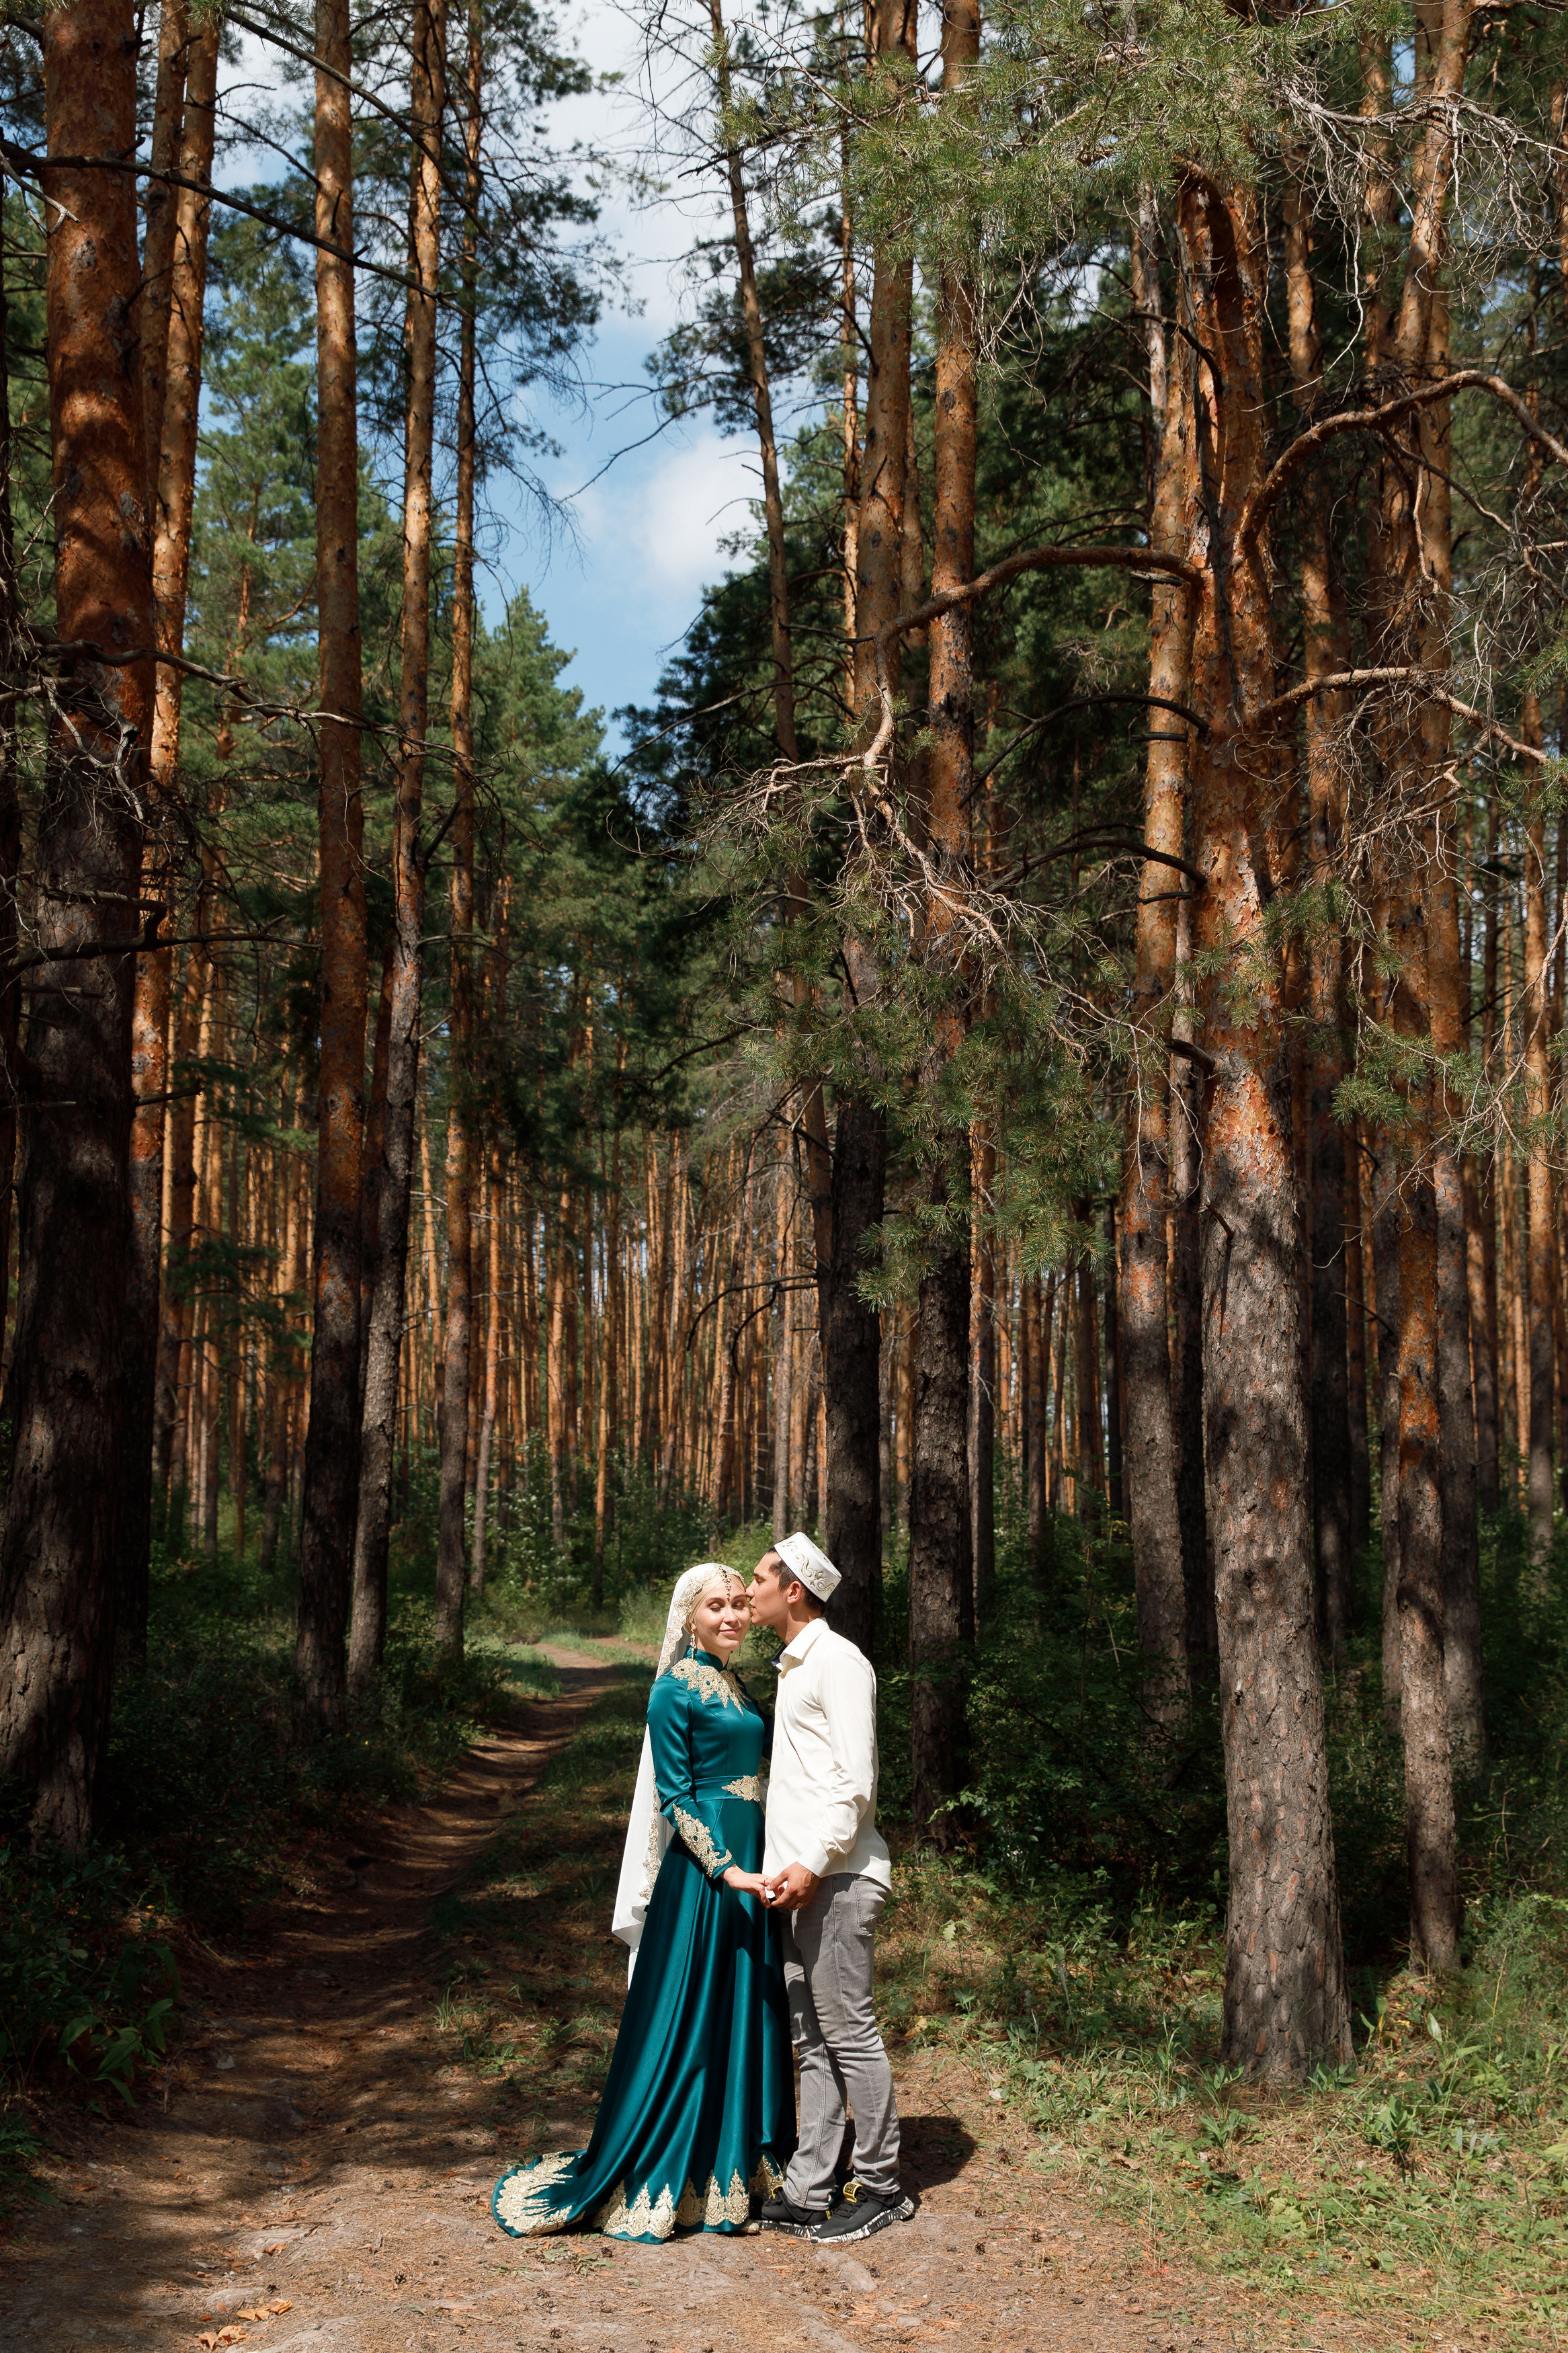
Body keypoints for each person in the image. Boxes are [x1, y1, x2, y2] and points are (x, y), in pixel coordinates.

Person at [491, 1564, 794, 2243]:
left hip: (752, 1860)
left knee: (740, 2009)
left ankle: (738, 2158)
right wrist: (729, 1870)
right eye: (717, 1606)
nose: (733, 1616)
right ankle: (670, 2161)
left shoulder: (737, 1682)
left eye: (740, 1604)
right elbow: (676, 1798)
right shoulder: (670, 1689)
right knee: (689, 2021)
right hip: (707, 1878)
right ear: (689, 1615)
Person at [747, 1531, 913, 2245]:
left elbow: (855, 1784)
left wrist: (812, 1862)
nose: (747, 1588)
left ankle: (880, 2186)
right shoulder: (792, 1664)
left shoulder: (838, 1661)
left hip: (837, 1877)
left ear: (792, 1590)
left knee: (848, 2033)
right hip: (799, 1882)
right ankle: (807, 2189)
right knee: (811, 2039)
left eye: (758, 1577)